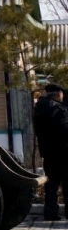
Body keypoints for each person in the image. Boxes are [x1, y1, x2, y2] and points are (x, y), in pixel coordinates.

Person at [34, 83, 68, 221]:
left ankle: (50, 212)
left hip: (48, 153)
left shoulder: (39, 108)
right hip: (64, 153)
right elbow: (65, 131)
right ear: (59, 93)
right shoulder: (60, 109)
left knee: (51, 184)